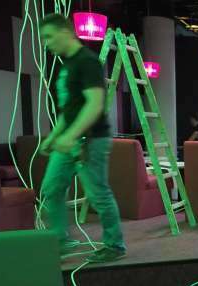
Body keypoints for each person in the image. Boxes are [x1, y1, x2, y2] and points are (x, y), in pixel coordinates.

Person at [39, 13, 126, 263]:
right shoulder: (67, 65)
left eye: (49, 37)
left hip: (91, 140)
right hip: (69, 139)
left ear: (65, 32)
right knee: (51, 189)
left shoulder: (87, 62)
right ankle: (60, 240)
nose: (46, 43)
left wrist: (71, 136)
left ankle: (114, 245)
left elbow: (94, 104)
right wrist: (54, 136)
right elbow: (69, 110)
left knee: (98, 194)